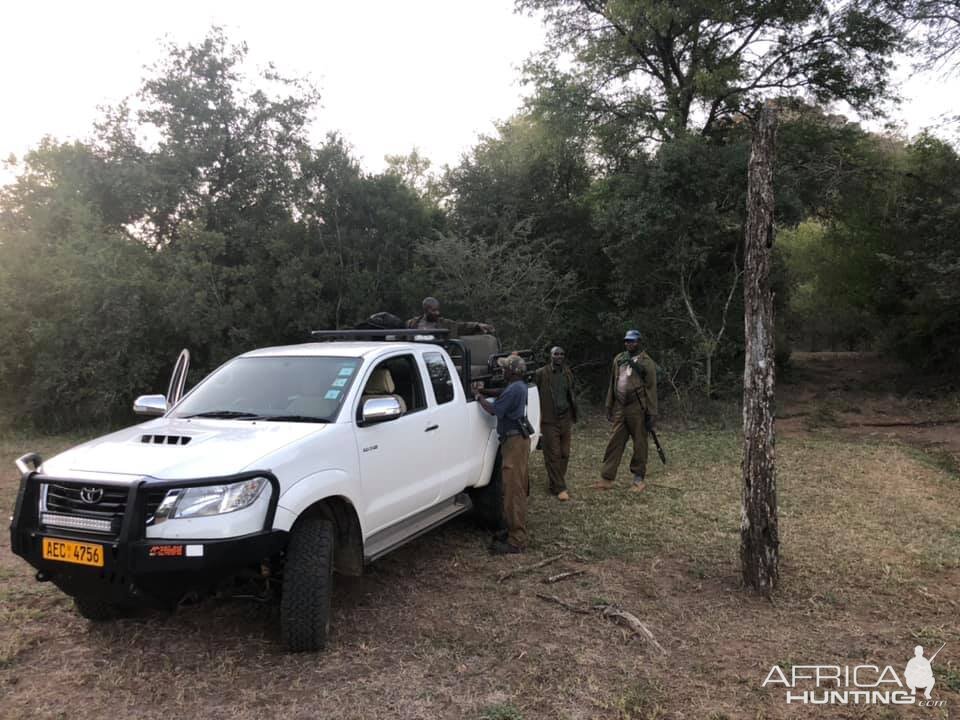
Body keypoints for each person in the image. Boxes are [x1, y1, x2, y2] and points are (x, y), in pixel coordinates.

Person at [475, 353, 529, 554]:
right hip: (517, 440)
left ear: (512, 372)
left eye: (505, 368)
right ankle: (513, 530)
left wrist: (479, 397)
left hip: (514, 442)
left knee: (513, 491)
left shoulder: (514, 389)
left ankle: (517, 540)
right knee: (514, 488)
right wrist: (486, 390)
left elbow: (493, 409)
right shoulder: (518, 386)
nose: (502, 370)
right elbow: (502, 392)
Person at [595, 329, 657, 492]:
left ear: (639, 342)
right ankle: (606, 478)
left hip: (638, 408)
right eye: (627, 341)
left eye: (632, 341)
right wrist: (609, 405)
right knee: (614, 442)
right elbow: (612, 383)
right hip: (621, 407)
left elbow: (651, 389)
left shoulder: (646, 362)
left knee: (640, 444)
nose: (629, 343)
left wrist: (651, 413)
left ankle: (638, 479)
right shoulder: (619, 359)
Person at [534, 346, 577, 501]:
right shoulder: (541, 374)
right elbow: (533, 396)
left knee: (565, 453)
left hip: (565, 419)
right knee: (553, 454)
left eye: (561, 354)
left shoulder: (567, 373)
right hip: (548, 420)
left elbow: (571, 393)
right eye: (555, 354)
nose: (559, 356)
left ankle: (556, 482)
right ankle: (560, 487)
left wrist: (573, 414)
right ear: (550, 356)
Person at [407, 296, 495, 338]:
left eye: (438, 310)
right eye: (434, 310)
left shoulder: (444, 324)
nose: (437, 313)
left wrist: (477, 325)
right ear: (426, 310)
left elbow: (462, 326)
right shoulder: (413, 323)